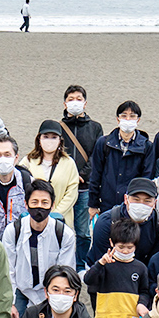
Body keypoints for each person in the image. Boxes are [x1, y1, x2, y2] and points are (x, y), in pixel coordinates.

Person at [1, 180, 76, 317]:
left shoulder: (64, 234)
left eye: (44, 202)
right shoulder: (13, 231)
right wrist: (10, 303)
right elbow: (8, 270)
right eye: (34, 202)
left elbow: (65, 273)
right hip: (21, 289)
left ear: (52, 205)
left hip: (50, 291)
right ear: (26, 204)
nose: (39, 207)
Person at [56, 86, 104, 260]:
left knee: (83, 232)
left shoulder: (95, 127)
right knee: (62, 228)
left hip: (85, 187)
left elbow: (96, 156)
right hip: (63, 187)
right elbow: (55, 153)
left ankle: (81, 264)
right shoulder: (58, 127)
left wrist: (82, 175)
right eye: (70, 99)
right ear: (64, 103)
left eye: (78, 99)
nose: (74, 102)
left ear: (85, 103)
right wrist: (69, 175)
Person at [89, 100, 152, 218]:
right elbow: (95, 175)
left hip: (133, 206)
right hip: (107, 204)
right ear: (118, 119)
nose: (128, 119)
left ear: (138, 120)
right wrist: (93, 204)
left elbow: (146, 178)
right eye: (124, 116)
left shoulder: (146, 146)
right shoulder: (104, 143)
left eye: (132, 116)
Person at [89, 177, 159, 265]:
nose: (141, 204)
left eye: (147, 201)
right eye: (136, 200)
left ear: (154, 203)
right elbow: (100, 258)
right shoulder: (107, 221)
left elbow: (156, 261)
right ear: (126, 199)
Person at [24, 120, 80, 228]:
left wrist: (55, 214)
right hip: (34, 220)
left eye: (54, 137)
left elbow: (72, 193)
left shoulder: (69, 163)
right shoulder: (28, 161)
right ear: (39, 139)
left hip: (61, 221)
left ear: (60, 141)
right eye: (46, 137)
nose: (49, 141)